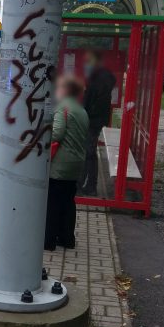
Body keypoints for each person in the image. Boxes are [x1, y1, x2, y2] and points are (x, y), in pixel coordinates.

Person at [44, 75, 89, 251]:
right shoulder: (81, 109)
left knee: (53, 202)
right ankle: (67, 238)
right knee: (68, 202)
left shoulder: (63, 108)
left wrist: (41, 135)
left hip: (61, 164)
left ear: (66, 90)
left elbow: (56, 134)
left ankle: (49, 241)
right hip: (77, 162)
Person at [80, 50, 116, 195]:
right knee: (89, 152)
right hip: (96, 119)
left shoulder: (99, 78)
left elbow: (93, 101)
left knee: (88, 152)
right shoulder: (102, 77)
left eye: (89, 60)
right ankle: (86, 184)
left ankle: (88, 186)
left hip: (93, 120)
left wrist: (85, 112)